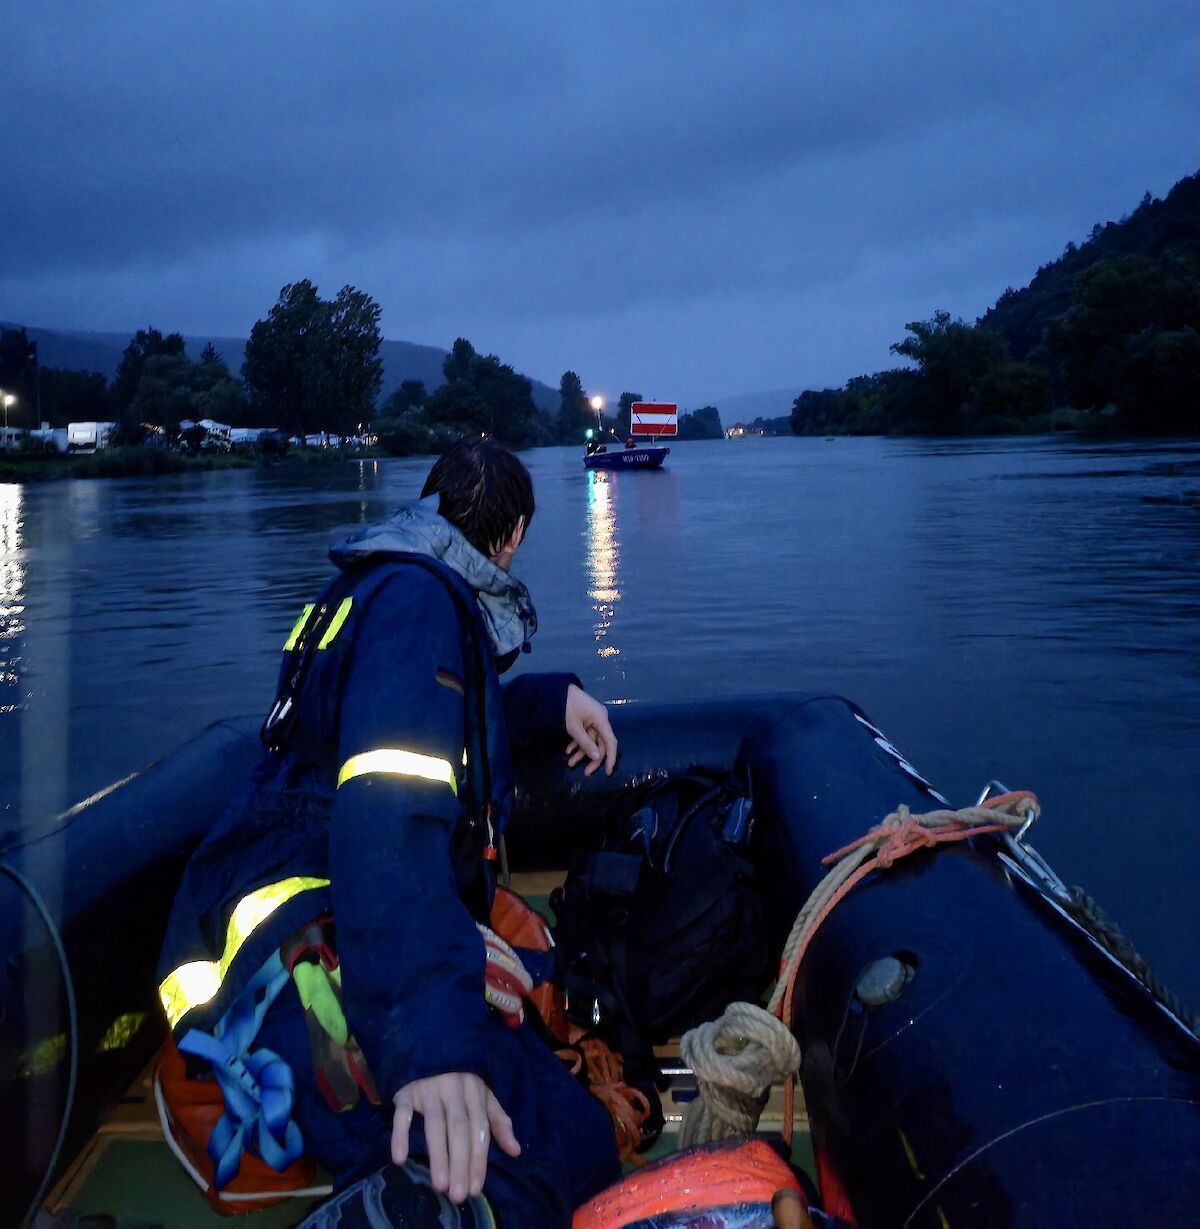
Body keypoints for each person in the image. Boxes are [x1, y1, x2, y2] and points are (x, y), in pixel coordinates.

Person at [158, 439, 622, 1227]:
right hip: (296, 942)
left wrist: (550, 702)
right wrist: (429, 1046)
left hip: (289, 899)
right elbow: (387, 811)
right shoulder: (420, 605)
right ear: (509, 540)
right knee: (545, 1153)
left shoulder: (385, 585)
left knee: (570, 1126)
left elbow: (412, 725)